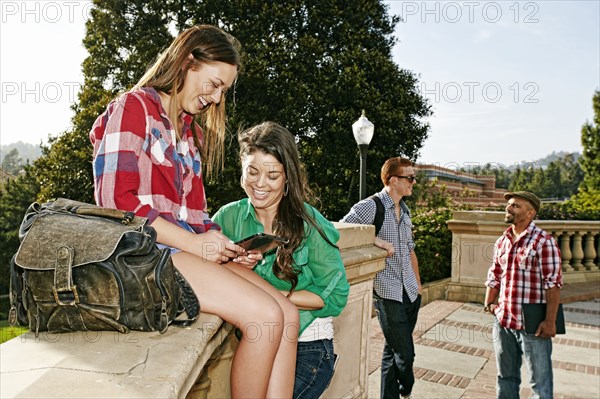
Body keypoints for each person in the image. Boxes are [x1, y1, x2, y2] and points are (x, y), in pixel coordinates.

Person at [89, 25, 299, 398]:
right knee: (264, 318)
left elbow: (196, 215)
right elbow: (115, 202)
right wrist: (193, 242)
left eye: (223, 91)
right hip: (144, 255)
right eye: (215, 83)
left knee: (288, 314)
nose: (216, 98)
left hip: (183, 249)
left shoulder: (190, 134)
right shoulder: (133, 108)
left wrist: (227, 246)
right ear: (189, 61)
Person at [213, 121, 350, 399]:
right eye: (252, 171)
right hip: (256, 344)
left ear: (288, 177)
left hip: (307, 349)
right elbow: (203, 274)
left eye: (272, 175)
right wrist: (232, 268)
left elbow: (335, 296)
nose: (260, 184)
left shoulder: (310, 223)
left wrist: (269, 293)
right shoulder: (225, 218)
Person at [340, 157, 422, 399]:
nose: (413, 182)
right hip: (387, 292)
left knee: (392, 350)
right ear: (393, 180)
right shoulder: (370, 206)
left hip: (409, 291)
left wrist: (418, 284)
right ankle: (405, 388)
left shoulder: (405, 211)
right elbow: (343, 229)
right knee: (406, 354)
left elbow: (410, 250)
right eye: (410, 178)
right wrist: (375, 240)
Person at [484, 191, 562, 399]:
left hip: (533, 326)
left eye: (515, 206)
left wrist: (550, 321)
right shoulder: (502, 241)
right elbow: (495, 274)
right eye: (509, 204)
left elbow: (553, 284)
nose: (509, 208)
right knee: (505, 378)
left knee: (540, 385)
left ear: (530, 213)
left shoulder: (544, 242)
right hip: (503, 322)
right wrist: (489, 303)